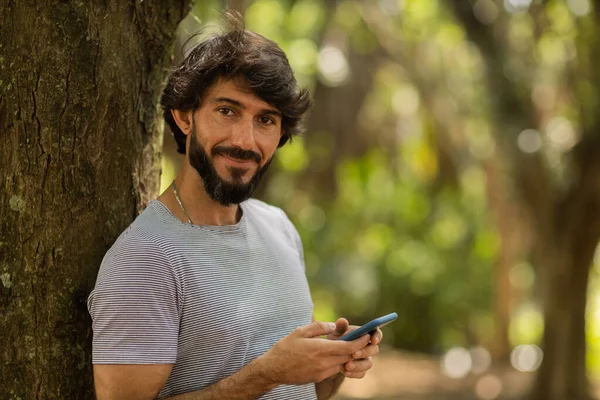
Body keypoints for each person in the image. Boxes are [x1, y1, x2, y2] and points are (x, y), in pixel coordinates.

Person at [87, 14, 383, 400]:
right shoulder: (145, 259)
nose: (245, 140)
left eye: (266, 120)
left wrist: (336, 361)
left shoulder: (278, 228)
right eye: (227, 111)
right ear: (184, 115)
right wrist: (265, 374)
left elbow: (302, 391)